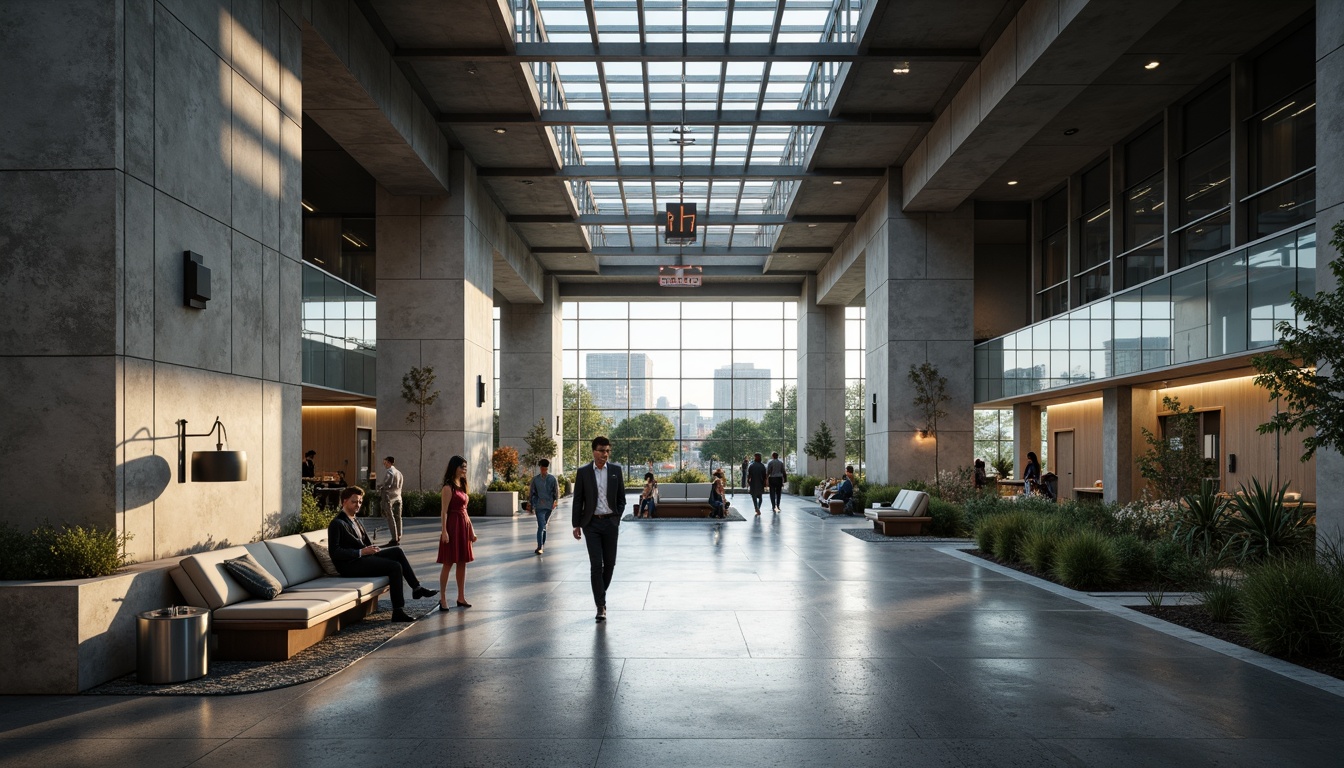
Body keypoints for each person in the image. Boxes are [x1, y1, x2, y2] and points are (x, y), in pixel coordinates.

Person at [327, 486, 437, 622]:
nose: (358, 505)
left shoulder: (355, 520)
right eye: (354, 501)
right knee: (395, 567)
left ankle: (417, 588)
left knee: (397, 551)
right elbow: (335, 552)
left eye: (360, 502)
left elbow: (364, 543)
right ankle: (398, 611)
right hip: (350, 565)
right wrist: (361, 552)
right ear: (344, 502)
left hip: (363, 558)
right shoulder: (337, 523)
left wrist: (372, 549)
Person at [572, 436, 626, 621]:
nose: (605, 454)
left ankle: (599, 593)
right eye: (602, 450)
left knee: (609, 564)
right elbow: (578, 499)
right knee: (596, 565)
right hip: (591, 524)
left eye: (608, 451)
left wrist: (616, 517)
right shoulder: (584, 472)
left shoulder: (616, 471)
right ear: (594, 451)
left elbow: (621, 498)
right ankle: (600, 606)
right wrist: (576, 524)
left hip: (610, 523)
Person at [437, 455, 477, 610]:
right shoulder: (448, 487)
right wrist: (444, 531)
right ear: (455, 467)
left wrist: (471, 531)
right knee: (448, 563)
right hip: (452, 527)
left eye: (465, 467)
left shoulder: (462, 484)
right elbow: (444, 512)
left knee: (462, 563)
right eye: (462, 467)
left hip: (463, 526)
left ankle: (461, 597)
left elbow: (465, 511)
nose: (464, 469)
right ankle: (443, 598)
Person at [528, 459, 559, 554]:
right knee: (541, 526)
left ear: (547, 468)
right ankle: (539, 546)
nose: (543, 471)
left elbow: (556, 492)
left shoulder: (552, 479)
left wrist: (555, 502)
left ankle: (542, 545)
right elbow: (531, 492)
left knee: (544, 525)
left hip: (549, 506)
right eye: (542, 469)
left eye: (545, 469)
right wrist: (530, 504)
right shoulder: (535, 479)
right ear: (540, 468)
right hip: (539, 506)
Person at [378, 456, 404, 545]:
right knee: (398, 517)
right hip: (398, 497)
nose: (384, 465)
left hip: (389, 497)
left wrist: (380, 487)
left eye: (385, 463)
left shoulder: (389, 472)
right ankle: (399, 535)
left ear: (389, 462)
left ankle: (394, 538)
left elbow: (387, 485)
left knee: (390, 517)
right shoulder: (399, 473)